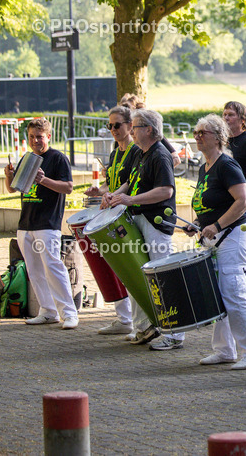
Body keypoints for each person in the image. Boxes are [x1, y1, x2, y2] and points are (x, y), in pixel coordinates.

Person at [104, 109, 183, 350]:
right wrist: (115, 194)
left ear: (149, 129)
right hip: (142, 218)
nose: (132, 131)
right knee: (141, 275)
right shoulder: (141, 152)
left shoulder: (159, 155)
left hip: (156, 222)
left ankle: (176, 333)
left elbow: (166, 191)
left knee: (161, 277)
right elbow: (132, 180)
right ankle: (147, 325)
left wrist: (130, 200)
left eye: (136, 127)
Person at [192, 114, 246, 369]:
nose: (198, 137)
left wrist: (217, 225)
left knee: (233, 292)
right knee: (217, 293)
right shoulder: (205, 167)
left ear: (219, 138)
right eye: (196, 132)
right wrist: (199, 226)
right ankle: (224, 350)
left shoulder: (227, 165)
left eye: (204, 133)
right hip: (215, 237)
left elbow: (243, 201)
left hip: (233, 235)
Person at [5, 117, 78, 329]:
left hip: (47, 223)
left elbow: (68, 187)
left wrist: (43, 180)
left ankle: (69, 312)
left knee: (53, 267)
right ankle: (47, 310)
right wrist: (7, 176)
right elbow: (13, 189)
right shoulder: (26, 158)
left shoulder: (57, 158)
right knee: (34, 270)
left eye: (39, 137)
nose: (35, 141)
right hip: (26, 222)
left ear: (48, 136)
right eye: (31, 137)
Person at [85, 106, 140, 335]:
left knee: (130, 267)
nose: (113, 130)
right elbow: (112, 184)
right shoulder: (114, 152)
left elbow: (132, 182)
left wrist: (114, 194)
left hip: (130, 214)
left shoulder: (136, 151)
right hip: (113, 212)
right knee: (116, 265)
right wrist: (100, 191)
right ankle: (124, 318)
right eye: (110, 126)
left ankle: (137, 322)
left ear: (129, 125)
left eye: (117, 125)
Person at [223, 101, 246, 177]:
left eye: (231, 115)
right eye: (224, 115)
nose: (226, 118)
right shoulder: (221, 141)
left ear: (242, 120)